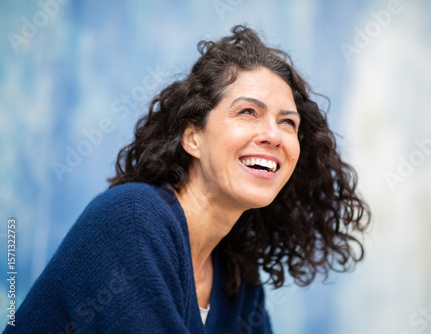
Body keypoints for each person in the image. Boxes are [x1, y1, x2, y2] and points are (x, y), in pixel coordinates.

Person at [6, 25, 370, 333]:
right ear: (193, 137)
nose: (273, 135)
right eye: (248, 112)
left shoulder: (237, 277)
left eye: (287, 122)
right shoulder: (131, 219)